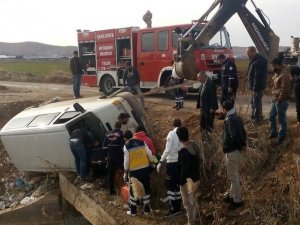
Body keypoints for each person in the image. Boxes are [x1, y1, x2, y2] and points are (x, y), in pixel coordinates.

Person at [222, 99, 246, 210]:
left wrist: (238, 146)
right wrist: (243, 145)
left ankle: (237, 200)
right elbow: (243, 132)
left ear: (224, 109)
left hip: (232, 151)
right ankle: (232, 195)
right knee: (234, 174)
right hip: (236, 150)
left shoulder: (229, 120)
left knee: (233, 176)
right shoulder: (237, 117)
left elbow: (234, 136)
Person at [123, 132, 154, 216]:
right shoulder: (142, 142)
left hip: (134, 171)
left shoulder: (126, 146)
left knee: (134, 191)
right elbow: (149, 153)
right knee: (146, 189)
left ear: (125, 138)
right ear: (132, 136)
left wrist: (125, 171)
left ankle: (133, 212)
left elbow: (126, 160)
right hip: (145, 169)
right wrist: (151, 162)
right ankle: (147, 211)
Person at [156, 118, 182, 217]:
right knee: (177, 185)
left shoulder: (172, 134)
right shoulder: (182, 133)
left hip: (171, 163)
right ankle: (178, 208)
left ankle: (173, 209)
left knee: (171, 186)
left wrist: (160, 161)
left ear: (173, 125)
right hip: (179, 163)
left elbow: (167, 150)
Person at [176, 126, 200, 225]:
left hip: (187, 182)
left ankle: (190, 222)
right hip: (196, 178)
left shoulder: (183, 151)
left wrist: (180, 182)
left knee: (187, 204)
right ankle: (193, 220)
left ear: (179, 138)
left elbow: (184, 170)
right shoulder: (194, 145)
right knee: (193, 201)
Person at [268, 58, 291, 145]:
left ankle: (281, 136)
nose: (272, 68)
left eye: (272, 66)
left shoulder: (284, 74)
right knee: (271, 116)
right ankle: (273, 132)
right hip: (275, 99)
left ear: (278, 65)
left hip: (281, 100)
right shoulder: (277, 73)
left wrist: (279, 99)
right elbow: (275, 86)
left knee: (281, 119)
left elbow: (284, 89)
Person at [246, 46, 268, 124]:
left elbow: (258, 77)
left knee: (256, 103)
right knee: (254, 102)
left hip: (257, 87)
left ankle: (257, 119)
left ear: (253, 52)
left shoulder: (259, 61)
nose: (247, 55)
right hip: (255, 87)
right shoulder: (255, 60)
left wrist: (255, 89)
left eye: (248, 53)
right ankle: (255, 117)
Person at [103, 121, 124, 195]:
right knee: (123, 171)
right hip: (119, 156)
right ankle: (124, 189)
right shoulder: (121, 133)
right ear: (120, 126)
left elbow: (104, 147)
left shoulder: (107, 134)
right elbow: (123, 146)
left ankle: (111, 191)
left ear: (114, 126)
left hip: (110, 156)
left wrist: (106, 156)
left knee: (110, 174)